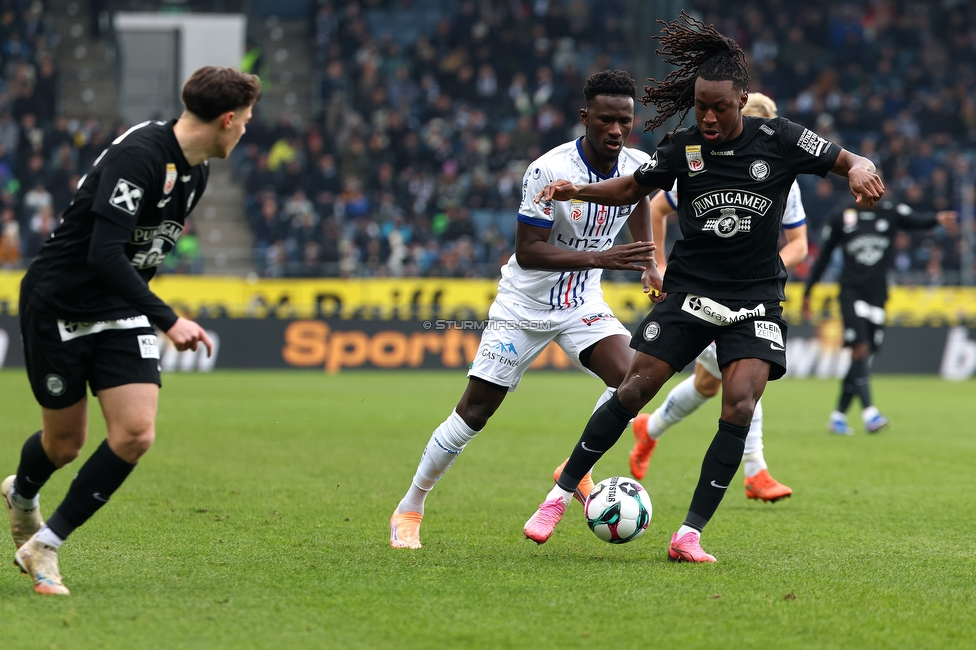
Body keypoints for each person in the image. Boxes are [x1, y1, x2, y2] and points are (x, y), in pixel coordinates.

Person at [522, 12, 884, 563]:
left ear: (742, 100)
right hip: (690, 293)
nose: (709, 117)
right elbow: (632, 191)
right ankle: (559, 493)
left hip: (756, 299)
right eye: (701, 106)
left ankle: (688, 534)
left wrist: (860, 169)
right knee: (634, 390)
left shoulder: (782, 139)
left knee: (738, 404)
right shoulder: (684, 147)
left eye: (719, 106)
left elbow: (848, 158)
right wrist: (580, 190)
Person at [2, 66, 261, 595]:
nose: (246, 130)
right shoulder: (139, 154)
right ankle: (22, 496)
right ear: (228, 120)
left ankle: (44, 545)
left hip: (119, 310)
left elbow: (139, 255)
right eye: (248, 120)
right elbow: (102, 253)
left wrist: (147, 313)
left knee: (135, 434)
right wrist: (168, 318)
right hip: (59, 304)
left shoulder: (197, 171)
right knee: (64, 444)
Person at [390, 70, 663, 549]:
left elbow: (637, 197)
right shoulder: (548, 170)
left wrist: (648, 261)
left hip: (582, 303)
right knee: (475, 410)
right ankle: (410, 506)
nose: (616, 130)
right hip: (524, 305)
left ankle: (575, 467)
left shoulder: (638, 162)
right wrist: (603, 257)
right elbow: (530, 250)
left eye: (624, 120)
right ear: (586, 118)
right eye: (606, 120)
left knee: (634, 382)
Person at [630, 93, 804, 503]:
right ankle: (755, 471)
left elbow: (800, 244)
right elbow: (656, 207)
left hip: (751, 291)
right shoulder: (711, 159)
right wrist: (656, 264)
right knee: (739, 375)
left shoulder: (783, 167)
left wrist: (756, 268)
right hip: (702, 290)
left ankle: (647, 429)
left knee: (709, 384)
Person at [802, 201, 956, 435]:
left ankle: (838, 416)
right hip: (851, 292)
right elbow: (824, 257)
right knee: (860, 348)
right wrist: (808, 291)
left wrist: (936, 219)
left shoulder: (890, 212)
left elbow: (914, 220)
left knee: (863, 356)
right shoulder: (841, 216)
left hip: (877, 295)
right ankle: (870, 413)